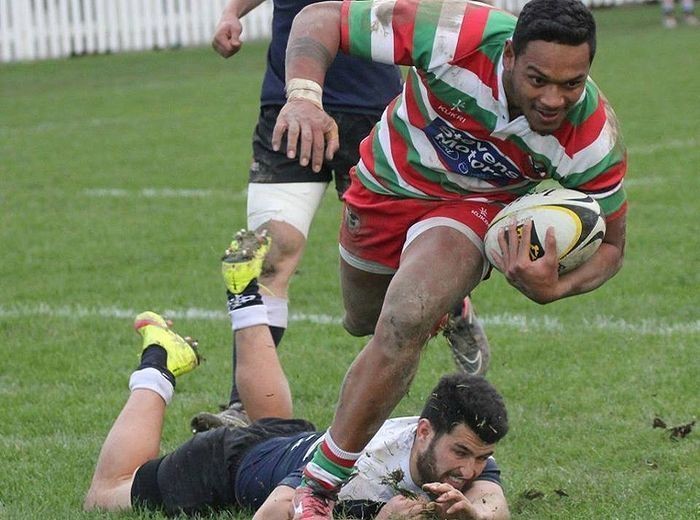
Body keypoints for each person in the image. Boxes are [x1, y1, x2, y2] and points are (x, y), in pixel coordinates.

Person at [270, 0, 628, 516]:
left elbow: (614, 247)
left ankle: (320, 487)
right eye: (538, 79)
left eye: (572, 84)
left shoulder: (591, 138)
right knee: (362, 321)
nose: (554, 99)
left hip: (473, 211)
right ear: (508, 56)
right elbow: (318, 18)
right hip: (387, 182)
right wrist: (304, 97)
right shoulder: (456, 34)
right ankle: (451, 305)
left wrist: (556, 288)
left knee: (403, 320)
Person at [191, 0, 493, 431]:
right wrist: (231, 13)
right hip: (290, 102)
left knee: (392, 269)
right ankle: (243, 407)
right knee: (269, 254)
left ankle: (452, 305)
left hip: (372, 111)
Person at [83, 238, 511, 519]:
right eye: (462, 453)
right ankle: (159, 360)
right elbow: (272, 512)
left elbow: (495, 506)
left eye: (480, 457)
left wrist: (472, 513)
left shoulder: (464, 451)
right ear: (423, 431)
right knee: (104, 495)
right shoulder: (366, 463)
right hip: (225, 465)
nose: (470, 469)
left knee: (273, 424)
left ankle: (244, 296)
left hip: (289, 439)